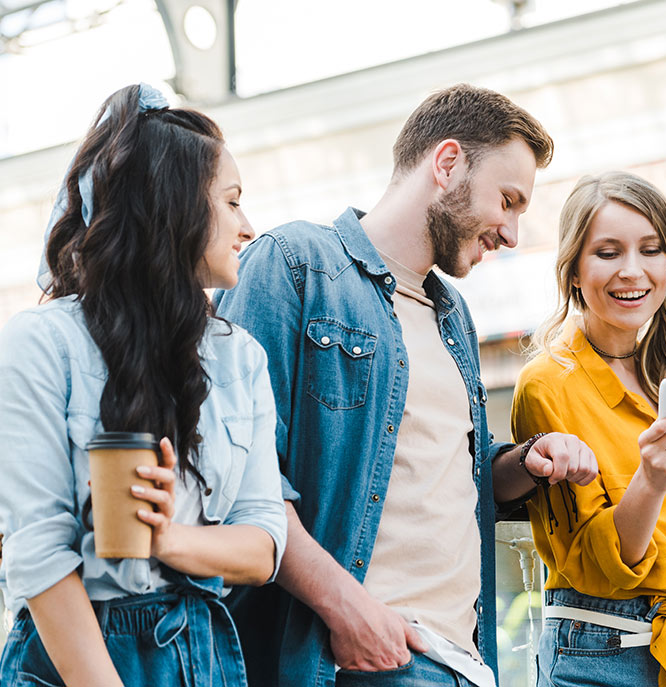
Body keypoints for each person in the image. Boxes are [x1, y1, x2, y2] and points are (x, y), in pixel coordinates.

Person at [214, 83, 598, 687]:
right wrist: (352, 611)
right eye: (508, 200)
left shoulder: (453, 316)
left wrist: (526, 462)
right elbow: (240, 475)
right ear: (447, 164)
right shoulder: (294, 264)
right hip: (357, 658)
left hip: (463, 661)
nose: (512, 232)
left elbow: (441, 477)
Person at [0, 84, 287, 687]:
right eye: (232, 203)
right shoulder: (41, 344)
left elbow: (263, 546)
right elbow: (41, 558)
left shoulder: (242, 359)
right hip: (74, 658)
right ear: (175, 205)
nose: (248, 226)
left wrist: (169, 539)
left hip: (202, 652)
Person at [511, 171, 666, 687]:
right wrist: (651, 478)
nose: (633, 271)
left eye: (651, 250)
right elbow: (591, 563)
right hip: (602, 652)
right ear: (574, 271)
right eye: (607, 252)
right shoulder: (547, 386)